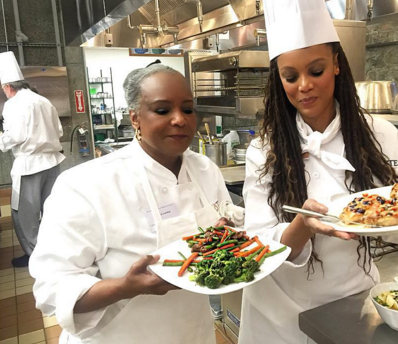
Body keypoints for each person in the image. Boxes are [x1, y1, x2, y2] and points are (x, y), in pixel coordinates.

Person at [238, 0, 398, 343]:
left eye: (315, 70)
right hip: (277, 310)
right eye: (290, 76)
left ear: (335, 63)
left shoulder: (383, 135)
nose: (304, 86)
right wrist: (302, 225)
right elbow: (257, 242)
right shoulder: (265, 149)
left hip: (355, 302)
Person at [30, 64, 242, 344]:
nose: (179, 119)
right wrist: (124, 287)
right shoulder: (85, 184)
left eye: (188, 109)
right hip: (119, 335)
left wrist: (227, 236)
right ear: (135, 118)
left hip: (192, 331)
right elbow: (51, 289)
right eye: (162, 110)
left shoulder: (205, 169)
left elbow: (226, 227)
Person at [0, 51, 65, 267]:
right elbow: (59, 131)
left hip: (29, 165)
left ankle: (34, 255)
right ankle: (54, 249)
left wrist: (2, 140)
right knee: (51, 208)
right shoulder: (43, 101)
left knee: (24, 214)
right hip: (52, 163)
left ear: (8, 87)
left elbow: (15, 136)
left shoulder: (14, 104)